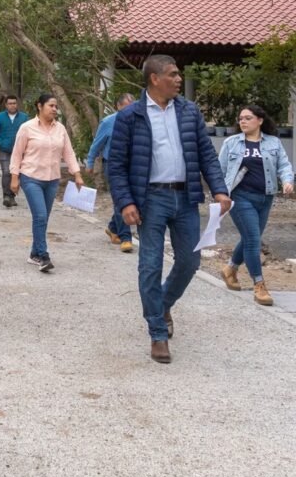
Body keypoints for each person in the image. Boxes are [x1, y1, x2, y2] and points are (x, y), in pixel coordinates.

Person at [108, 55, 231, 365]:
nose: (179, 80)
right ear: (154, 79)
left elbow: (206, 153)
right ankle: (157, 332)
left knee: (190, 261)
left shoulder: (189, 112)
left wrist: (219, 188)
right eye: (173, 74)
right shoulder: (130, 116)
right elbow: (117, 167)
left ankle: (161, 304)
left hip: (186, 197)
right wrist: (125, 202)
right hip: (150, 199)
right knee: (149, 265)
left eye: (179, 75)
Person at [218, 103, 294, 306]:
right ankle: (259, 285)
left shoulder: (273, 143)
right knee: (253, 239)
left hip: (266, 197)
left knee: (251, 238)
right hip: (240, 197)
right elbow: (219, 170)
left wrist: (287, 180)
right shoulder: (232, 143)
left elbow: (284, 165)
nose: (242, 121)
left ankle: (230, 269)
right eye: (240, 118)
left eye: (247, 118)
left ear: (259, 120)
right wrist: (220, 195)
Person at [9, 93, 84, 272]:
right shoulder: (27, 128)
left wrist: (77, 174)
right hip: (31, 177)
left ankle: (34, 253)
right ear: (39, 106)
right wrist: (14, 178)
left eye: (56, 106)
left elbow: (68, 153)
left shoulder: (60, 129)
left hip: (52, 179)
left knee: (43, 218)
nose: (54, 109)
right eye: (51, 106)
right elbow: (17, 153)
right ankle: (43, 256)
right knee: (41, 216)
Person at [85, 92, 136, 252]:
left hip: (132, 165)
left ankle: (113, 227)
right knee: (120, 200)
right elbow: (96, 144)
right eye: (126, 108)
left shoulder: (138, 121)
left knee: (131, 199)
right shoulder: (108, 122)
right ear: (118, 106)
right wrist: (90, 162)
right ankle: (126, 238)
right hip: (113, 165)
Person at [0, 94, 29, 207]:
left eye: (14, 103)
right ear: (6, 105)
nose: (12, 105)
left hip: (20, 151)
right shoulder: (0, 117)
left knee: (16, 173)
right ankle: (6, 196)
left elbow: (29, 132)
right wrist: (1, 143)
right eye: (10, 103)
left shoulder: (24, 117)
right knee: (6, 172)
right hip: (5, 150)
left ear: (17, 104)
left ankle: (12, 196)